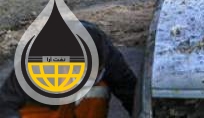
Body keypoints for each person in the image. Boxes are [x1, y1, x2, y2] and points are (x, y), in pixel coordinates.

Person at [0, 22, 137, 117]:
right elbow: (5, 104)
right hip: (44, 109)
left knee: (97, 91)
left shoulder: (110, 57)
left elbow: (131, 93)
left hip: (73, 107)